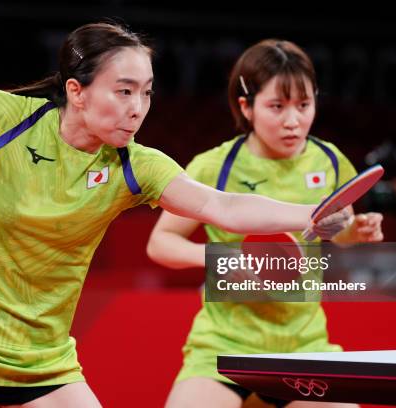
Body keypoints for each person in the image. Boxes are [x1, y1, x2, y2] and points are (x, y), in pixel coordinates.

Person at [0, 24, 350, 408]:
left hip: (43, 360)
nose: (137, 108)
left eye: (146, 93)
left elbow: (220, 205)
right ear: (77, 91)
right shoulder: (8, 119)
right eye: (124, 91)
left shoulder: (135, 164)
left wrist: (312, 211)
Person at [147, 39, 383, 408]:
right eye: (277, 106)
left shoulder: (330, 161)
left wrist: (359, 231)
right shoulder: (213, 166)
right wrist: (219, 261)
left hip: (304, 344)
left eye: (304, 105)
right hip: (224, 346)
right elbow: (161, 243)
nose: (293, 121)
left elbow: (341, 234)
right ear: (247, 106)